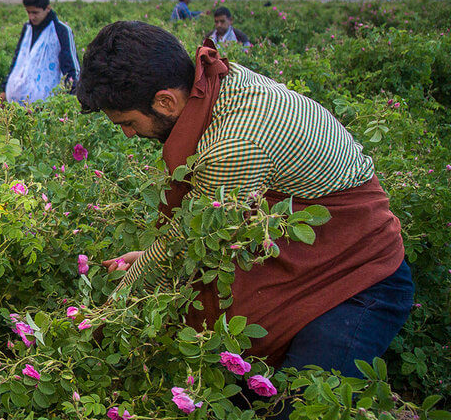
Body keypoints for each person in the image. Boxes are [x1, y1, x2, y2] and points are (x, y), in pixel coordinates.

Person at [77, 21, 413, 379]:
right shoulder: (221, 84)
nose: (128, 134)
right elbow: (183, 242)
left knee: (297, 418)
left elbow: (185, 248)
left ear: (165, 101)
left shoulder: (233, 145)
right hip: (316, 262)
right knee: (249, 395)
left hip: (361, 279)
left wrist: (105, 321)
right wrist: (149, 259)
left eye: (127, 122)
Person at [0, 0, 79, 104]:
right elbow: (17, 61)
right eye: (28, 12)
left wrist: (70, 98)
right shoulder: (27, 29)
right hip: (18, 103)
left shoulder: (60, 31)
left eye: (35, 12)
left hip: (46, 106)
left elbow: (70, 67)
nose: (31, 17)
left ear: (47, 8)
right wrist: (4, 89)